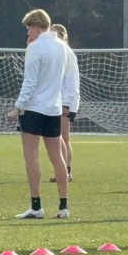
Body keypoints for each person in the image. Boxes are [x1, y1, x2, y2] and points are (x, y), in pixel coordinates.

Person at [6, 9, 70, 220]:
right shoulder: (62, 46)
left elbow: (30, 82)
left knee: (31, 156)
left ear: (35, 26)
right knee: (57, 157)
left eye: (28, 29)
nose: (28, 34)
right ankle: (63, 207)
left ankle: (36, 206)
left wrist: (17, 107)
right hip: (53, 108)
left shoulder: (35, 48)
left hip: (34, 109)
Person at [48, 23, 79, 184]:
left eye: (55, 34)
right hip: (56, 101)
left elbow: (71, 82)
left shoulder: (67, 53)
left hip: (66, 102)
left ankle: (67, 171)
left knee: (63, 137)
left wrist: (67, 104)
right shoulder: (56, 54)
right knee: (56, 137)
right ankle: (60, 170)